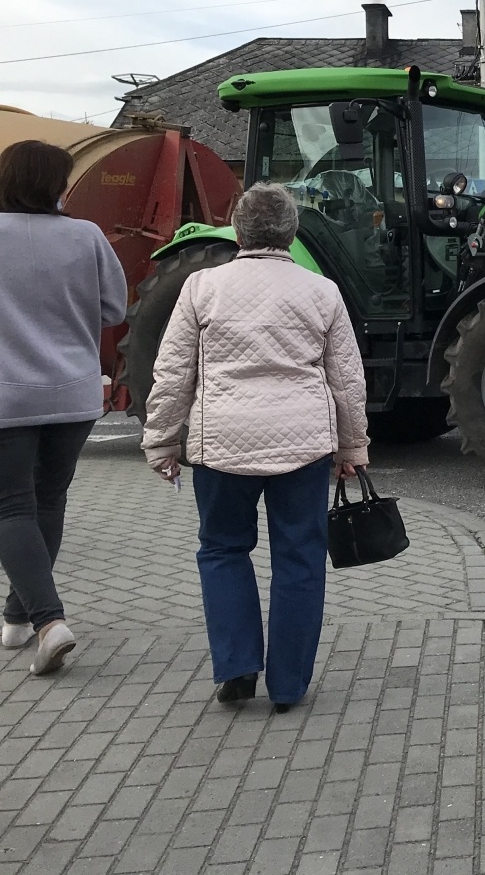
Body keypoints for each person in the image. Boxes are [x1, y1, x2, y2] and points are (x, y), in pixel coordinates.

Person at [142, 183, 369, 712]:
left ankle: (238, 668)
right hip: (304, 446)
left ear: (238, 230)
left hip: (222, 445)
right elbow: (347, 380)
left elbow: (174, 372)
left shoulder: (202, 287)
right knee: (300, 559)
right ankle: (288, 687)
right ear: (291, 232)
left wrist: (161, 440)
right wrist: (352, 446)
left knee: (222, 550)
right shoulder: (322, 291)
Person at [0, 140, 127, 676]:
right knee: (48, 499)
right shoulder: (87, 235)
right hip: (74, 394)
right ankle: (18, 614)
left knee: (11, 506)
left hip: (8, 393)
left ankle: (50, 621)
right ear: (57, 184)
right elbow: (114, 307)